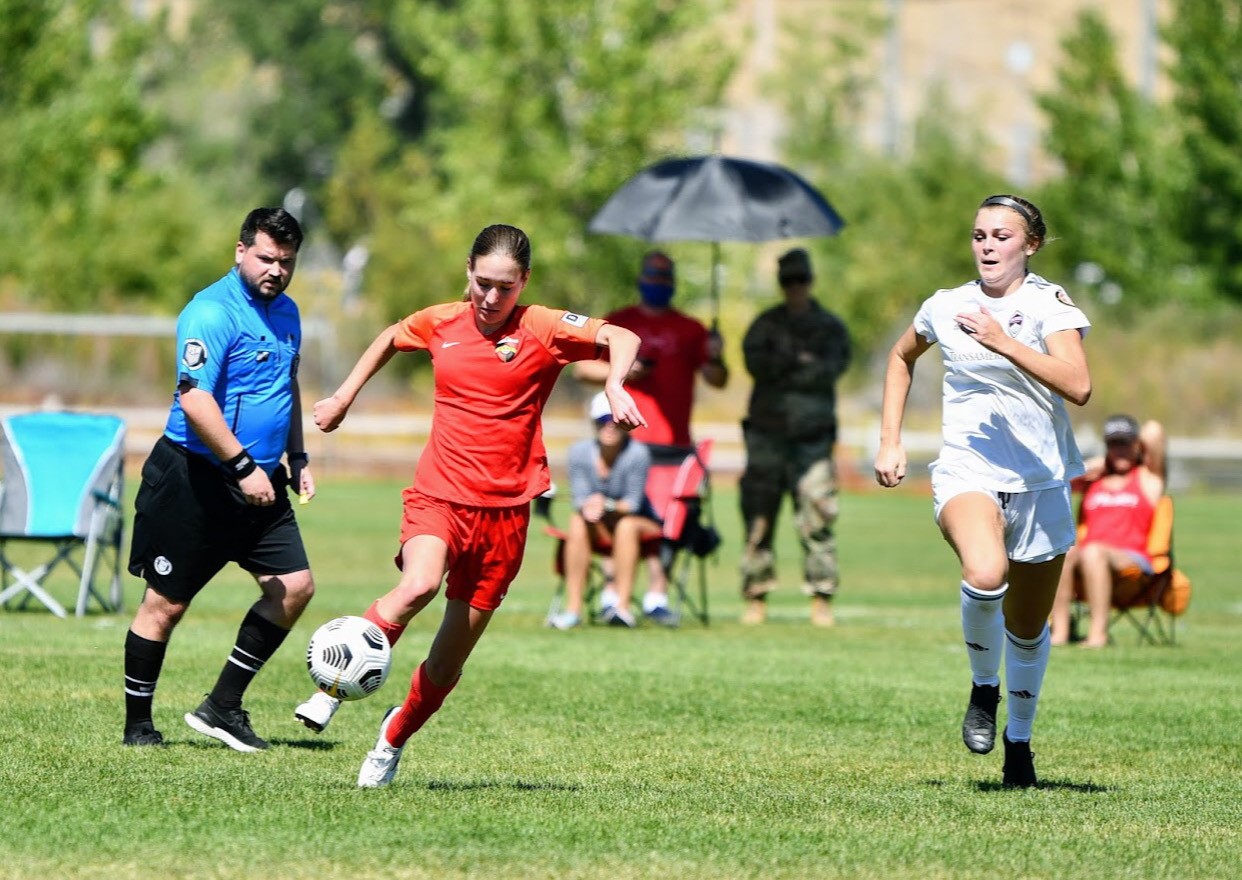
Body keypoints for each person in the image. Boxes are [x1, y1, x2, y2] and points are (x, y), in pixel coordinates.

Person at [291, 224, 643, 788]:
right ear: (468, 272)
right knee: (418, 585)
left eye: (505, 287)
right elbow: (388, 337)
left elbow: (622, 336)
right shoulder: (442, 322)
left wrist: (618, 385)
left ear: (524, 281)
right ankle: (330, 688)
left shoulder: (544, 327)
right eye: (482, 283)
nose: (491, 298)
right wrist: (342, 397)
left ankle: (392, 737)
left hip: (506, 514)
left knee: (447, 662)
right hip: (440, 496)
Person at [873, 194, 1092, 788]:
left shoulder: (1049, 305)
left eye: (1001, 236)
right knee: (987, 571)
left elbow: (1078, 385)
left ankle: (1019, 745)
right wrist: (891, 440)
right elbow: (901, 357)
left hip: (1040, 482)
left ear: (1030, 245)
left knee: (1027, 630)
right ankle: (983, 688)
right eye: (979, 235)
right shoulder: (947, 306)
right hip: (968, 471)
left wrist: (1005, 343)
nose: (988, 246)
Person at [122, 207, 316, 751]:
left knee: (294, 588)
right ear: (240, 251)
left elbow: (287, 385)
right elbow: (195, 398)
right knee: (166, 604)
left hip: (262, 480)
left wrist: (296, 456)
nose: (275, 271)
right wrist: (242, 466)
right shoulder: (211, 312)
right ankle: (138, 727)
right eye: (265, 259)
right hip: (194, 478)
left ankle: (222, 707)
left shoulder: (289, 313)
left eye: (286, 262)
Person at [572, 251, 727, 620]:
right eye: (652, 278)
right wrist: (624, 371)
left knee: (671, 517)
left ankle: (657, 594)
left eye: (664, 279)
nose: (658, 285)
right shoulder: (619, 322)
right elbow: (581, 369)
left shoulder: (691, 329)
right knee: (616, 512)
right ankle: (612, 591)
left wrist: (718, 355)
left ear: (673, 283)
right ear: (641, 280)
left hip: (674, 445)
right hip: (626, 439)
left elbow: (717, 380)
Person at [738, 248, 851, 627]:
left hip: (812, 441)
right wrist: (800, 362)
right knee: (758, 517)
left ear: (810, 281)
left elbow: (830, 369)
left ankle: (822, 597)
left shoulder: (830, 327)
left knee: (818, 518)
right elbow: (756, 364)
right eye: (788, 281)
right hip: (767, 436)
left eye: (800, 280)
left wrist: (788, 365)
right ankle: (756, 595)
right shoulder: (764, 325)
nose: (795, 288)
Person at [549, 392, 665, 630]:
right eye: (603, 421)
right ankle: (573, 610)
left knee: (626, 525)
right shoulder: (578, 453)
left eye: (616, 420)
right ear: (594, 424)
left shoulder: (637, 454)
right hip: (598, 526)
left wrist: (606, 505)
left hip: (639, 525)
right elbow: (580, 499)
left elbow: (632, 504)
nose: (610, 426)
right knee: (577, 521)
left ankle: (621, 608)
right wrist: (589, 506)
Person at [1049, 415, 1166, 648]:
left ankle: (1097, 635)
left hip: (1132, 560)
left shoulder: (1148, 478)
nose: (1120, 450)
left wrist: (1137, 450)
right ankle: (1059, 632)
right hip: (1086, 558)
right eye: (1114, 444)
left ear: (1137, 445)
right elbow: (1059, 480)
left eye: (1126, 443)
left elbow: (1154, 430)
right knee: (1066, 550)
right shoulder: (1095, 481)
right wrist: (1096, 464)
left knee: (1093, 552)